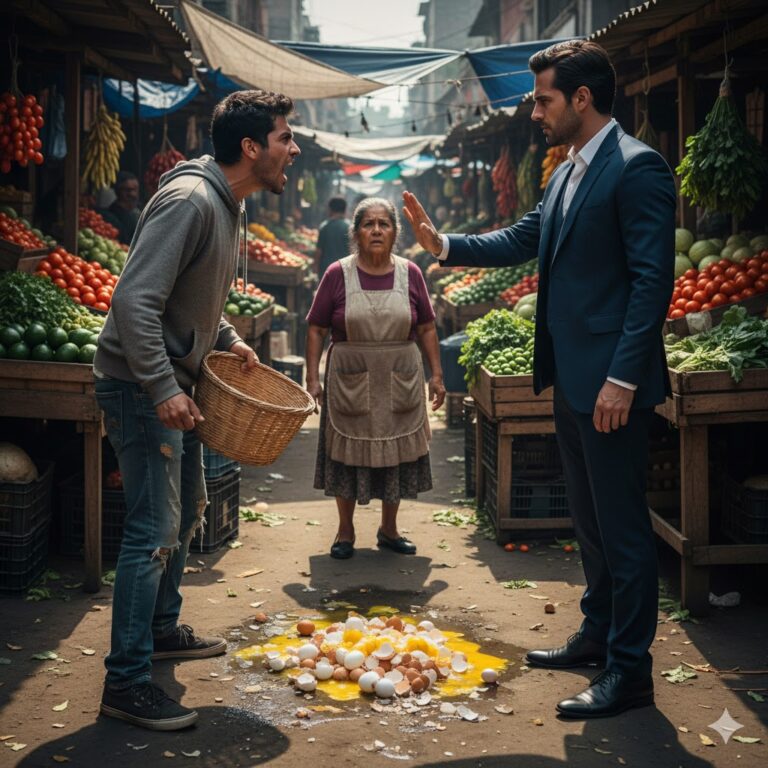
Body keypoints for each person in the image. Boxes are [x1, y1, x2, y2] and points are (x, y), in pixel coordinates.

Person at [403, 39, 675, 719]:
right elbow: (523, 237)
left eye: (545, 99)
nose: (535, 113)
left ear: (582, 98)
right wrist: (444, 246)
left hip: (611, 386)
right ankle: (595, 634)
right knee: (589, 525)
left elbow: (652, 284)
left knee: (624, 531)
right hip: (569, 379)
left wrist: (622, 378)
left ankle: (630, 670)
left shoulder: (638, 169)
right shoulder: (564, 174)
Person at [93, 89, 301, 731]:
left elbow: (191, 301)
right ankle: (124, 684)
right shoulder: (190, 201)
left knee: (186, 516)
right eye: (285, 138)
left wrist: (232, 341)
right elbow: (135, 302)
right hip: (138, 387)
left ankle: (160, 631)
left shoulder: (226, 203)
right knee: (153, 530)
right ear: (250, 147)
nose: (291, 150)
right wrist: (162, 386)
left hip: (177, 384)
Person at [305, 197, 446, 560]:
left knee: (396, 454)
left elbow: (427, 327)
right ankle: (345, 530)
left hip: (400, 377)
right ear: (355, 233)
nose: (377, 230)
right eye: (368, 224)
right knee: (346, 454)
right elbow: (317, 328)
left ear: (395, 232)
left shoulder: (410, 273)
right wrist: (312, 378)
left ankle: (389, 529)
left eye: (384, 224)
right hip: (350, 378)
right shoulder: (338, 273)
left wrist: (437, 375)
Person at [101, 171, 142, 245]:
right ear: (118, 191)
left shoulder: (138, 213)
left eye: (135, 189)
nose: (133, 194)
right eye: (128, 190)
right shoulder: (110, 217)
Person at [315, 196, 350, 278]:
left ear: (330, 209)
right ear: (344, 210)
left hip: (326, 270)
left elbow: (318, 251)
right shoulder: (349, 227)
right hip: (344, 270)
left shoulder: (324, 226)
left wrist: (315, 266)